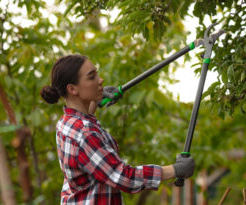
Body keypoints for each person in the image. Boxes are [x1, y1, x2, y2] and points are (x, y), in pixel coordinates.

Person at [40, 54, 195, 204]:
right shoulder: (85, 134)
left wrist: (96, 101)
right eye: (92, 77)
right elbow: (124, 177)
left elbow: (85, 125)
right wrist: (175, 170)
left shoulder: (66, 122)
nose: (101, 80)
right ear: (72, 89)